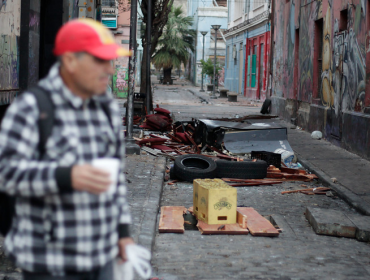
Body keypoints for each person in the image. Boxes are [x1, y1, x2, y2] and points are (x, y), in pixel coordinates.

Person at [0, 18, 134, 279]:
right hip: (50, 262)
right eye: (100, 60)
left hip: (102, 257)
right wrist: (65, 176)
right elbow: (6, 174)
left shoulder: (106, 108)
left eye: (110, 60)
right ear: (71, 61)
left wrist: (122, 233)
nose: (109, 68)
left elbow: (115, 181)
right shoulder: (31, 109)